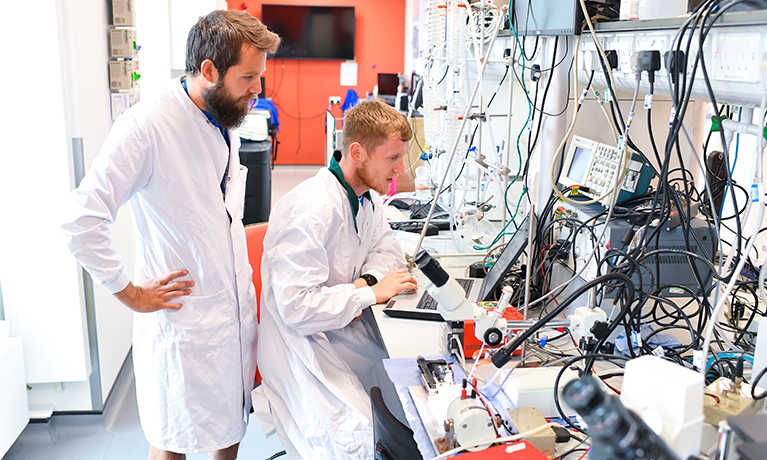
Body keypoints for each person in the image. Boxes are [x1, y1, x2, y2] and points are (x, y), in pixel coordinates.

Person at [61, 10, 280, 460]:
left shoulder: (224, 115)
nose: (258, 90)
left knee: (228, 429)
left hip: (230, 311)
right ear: (209, 71)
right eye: (249, 78)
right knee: (172, 437)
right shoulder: (146, 127)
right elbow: (81, 220)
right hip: (182, 322)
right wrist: (131, 295)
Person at [252, 100, 419, 459]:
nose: (399, 170)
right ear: (357, 152)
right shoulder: (312, 209)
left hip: (341, 329)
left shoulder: (365, 199)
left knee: (415, 395)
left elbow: (387, 250)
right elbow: (297, 309)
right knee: (357, 441)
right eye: (392, 158)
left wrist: (367, 284)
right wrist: (368, 295)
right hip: (305, 348)